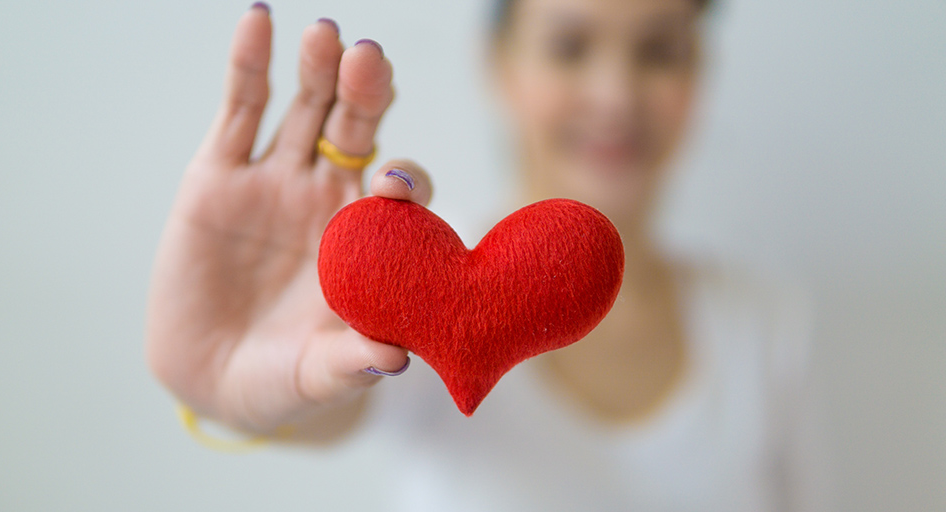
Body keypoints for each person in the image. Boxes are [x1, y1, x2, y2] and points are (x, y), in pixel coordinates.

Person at [146, 0, 829, 509]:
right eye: (569, 47)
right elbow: (326, 406)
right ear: (500, 66)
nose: (616, 95)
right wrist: (226, 382)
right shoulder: (412, 291)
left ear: (699, 72)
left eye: (658, 51)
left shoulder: (766, 320)